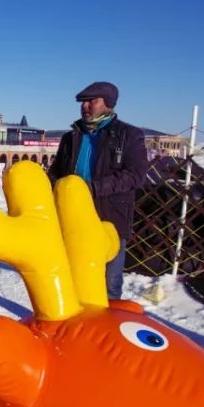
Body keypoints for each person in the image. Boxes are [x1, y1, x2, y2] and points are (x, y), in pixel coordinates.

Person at [48, 81, 149, 299]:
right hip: (72, 217)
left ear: (109, 104)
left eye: (92, 101)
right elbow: (55, 172)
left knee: (109, 283)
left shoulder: (128, 135)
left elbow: (136, 175)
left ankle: (108, 330)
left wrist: (91, 189)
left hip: (110, 218)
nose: (85, 106)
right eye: (83, 102)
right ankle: (75, 330)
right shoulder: (71, 137)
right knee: (71, 276)